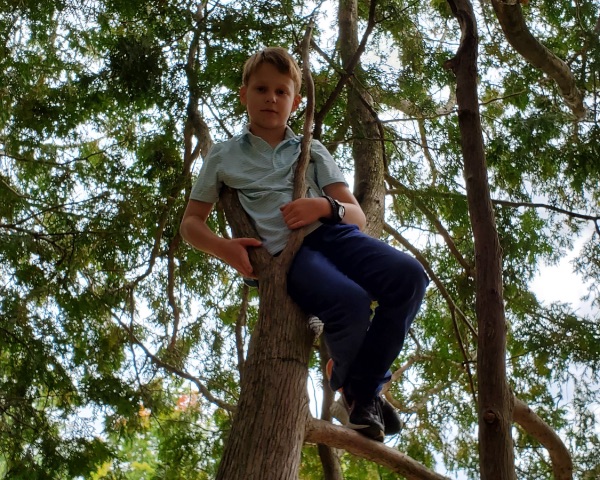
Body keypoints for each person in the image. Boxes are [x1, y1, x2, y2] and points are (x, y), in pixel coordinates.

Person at [180, 47, 429, 441]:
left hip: (336, 234)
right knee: (348, 301)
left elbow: (356, 215)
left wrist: (322, 205)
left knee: (409, 276)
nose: (271, 98)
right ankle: (364, 394)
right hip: (288, 256)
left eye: (282, 92)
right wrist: (225, 248)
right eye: (261, 88)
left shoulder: (311, 149)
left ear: (296, 102)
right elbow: (191, 224)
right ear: (244, 94)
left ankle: (357, 386)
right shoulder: (224, 156)